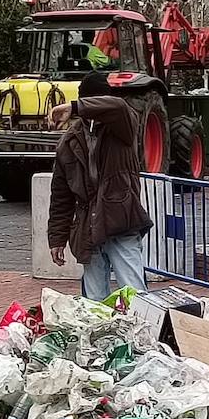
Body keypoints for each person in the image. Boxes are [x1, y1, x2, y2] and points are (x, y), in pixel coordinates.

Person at [46, 71, 152, 301]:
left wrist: (75, 107)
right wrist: (57, 238)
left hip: (121, 220)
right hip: (87, 227)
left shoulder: (122, 126)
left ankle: (144, 334)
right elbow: (61, 195)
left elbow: (117, 106)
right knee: (94, 301)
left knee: (134, 294)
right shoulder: (69, 141)